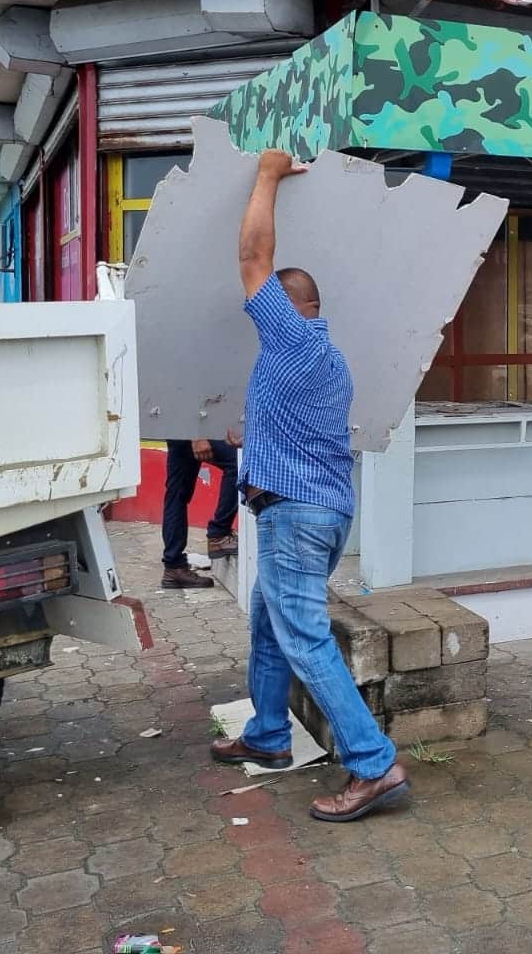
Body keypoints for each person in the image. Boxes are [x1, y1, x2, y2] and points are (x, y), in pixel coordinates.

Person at [209, 148, 410, 824]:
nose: (252, 307)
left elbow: (253, 259)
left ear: (294, 309)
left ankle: (374, 764)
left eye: (264, 305)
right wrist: (247, 441)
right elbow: (291, 428)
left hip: (297, 516)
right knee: (271, 625)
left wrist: (267, 177)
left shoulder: (294, 340)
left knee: (304, 636)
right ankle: (268, 736)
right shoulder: (312, 359)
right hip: (302, 508)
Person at [159, 437, 239, 589]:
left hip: (180, 432)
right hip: (191, 431)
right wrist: (197, 437)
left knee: (177, 495)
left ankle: (174, 567)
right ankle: (219, 534)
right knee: (238, 462)